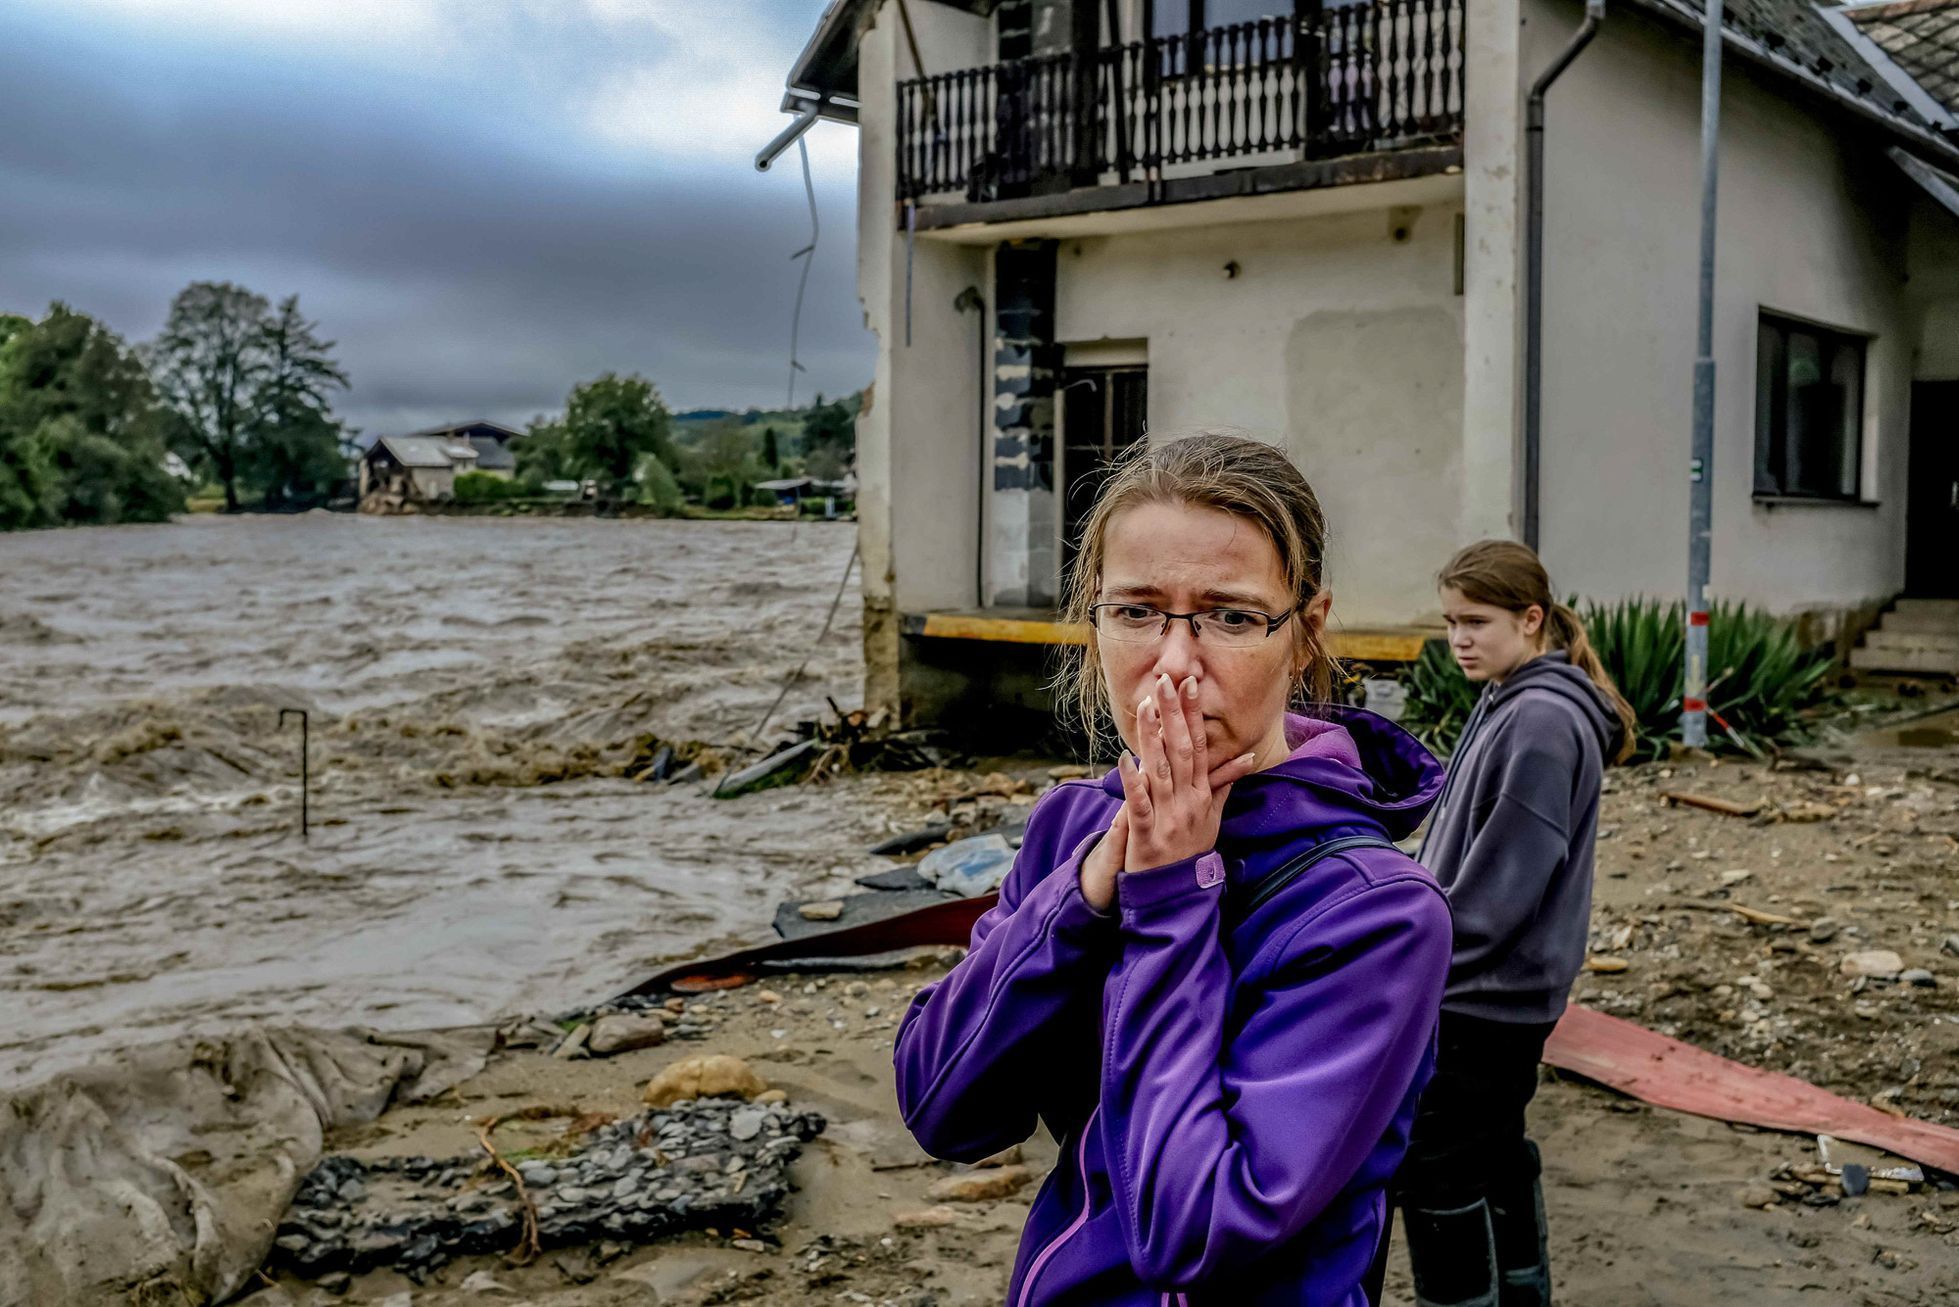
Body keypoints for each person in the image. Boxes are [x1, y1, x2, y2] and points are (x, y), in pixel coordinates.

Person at [893, 433, 1454, 1306]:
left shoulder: (1373, 912)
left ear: (1304, 635)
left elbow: (1194, 1231)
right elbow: (941, 1105)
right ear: (1096, 618)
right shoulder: (1072, 830)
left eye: (1231, 616)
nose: (1174, 665)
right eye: (1137, 611)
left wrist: (1168, 903)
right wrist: (1079, 900)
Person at [1388, 539, 1636, 1307]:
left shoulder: (1539, 721)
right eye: (1449, 621)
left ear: (1531, 619)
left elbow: (1501, 894)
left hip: (1482, 996)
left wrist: (1417, 968)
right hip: (1500, 992)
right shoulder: (1513, 698)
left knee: (1432, 1165)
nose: (1458, 638)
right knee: (1491, 1151)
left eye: (1476, 620)